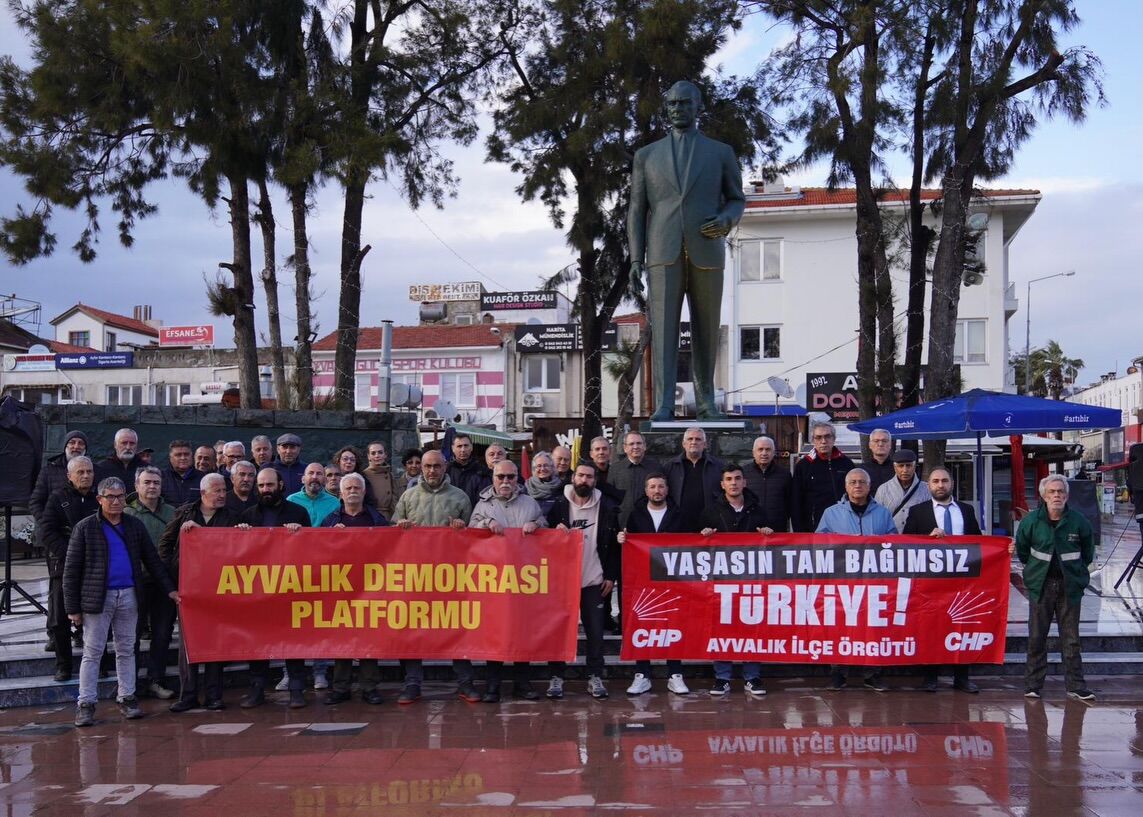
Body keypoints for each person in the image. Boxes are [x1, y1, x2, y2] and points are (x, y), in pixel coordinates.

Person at [628, 79, 744, 420]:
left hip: (707, 248)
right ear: (666, 109)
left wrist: (726, 219)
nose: (678, 109)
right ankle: (664, 404)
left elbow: (737, 198)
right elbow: (636, 209)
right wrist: (636, 258)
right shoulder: (646, 156)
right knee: (664, 330)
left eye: (684, 103)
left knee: (706, 329)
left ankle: (706, 401)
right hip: (662, 251)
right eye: (673, 104)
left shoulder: (720, 152)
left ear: (698, 107)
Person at [65, 477, 178, 727]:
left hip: (129, 595)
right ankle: (86, 703)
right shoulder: (85, 528)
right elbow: (71, 570)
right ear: (100, 499)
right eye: (110, 497)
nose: (116, 501)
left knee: (126, 649)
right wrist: (72, 608)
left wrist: (170, 590)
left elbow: (152, 560)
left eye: (120, 497)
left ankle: (127, 697)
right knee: (93, 652)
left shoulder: (134, 525)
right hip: (98, 598)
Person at [391, 449, 474, 703]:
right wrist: (400, 526)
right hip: (415, 576)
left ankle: (465, 682)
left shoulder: (459, 497)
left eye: (437, 466)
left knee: (457, 628)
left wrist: (462, 529)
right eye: (427, 466)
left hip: (451, 576)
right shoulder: (408, 496)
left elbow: (474, 538)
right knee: (411, 630)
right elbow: (392, 532)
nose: (431, 471)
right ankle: (412, 683)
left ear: (445, 467)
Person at [162, 473, 242, 712]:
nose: (222, 495)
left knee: (215, 642)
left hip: (218, 589)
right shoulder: (184, 514)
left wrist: (241, 532)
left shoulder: (231, 517)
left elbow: (238, 549)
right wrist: (172, 579)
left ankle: (214, 695)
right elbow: (165, 546)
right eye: (217, 491)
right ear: (203, 493)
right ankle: (187, 695)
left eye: (224, 490)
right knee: (188, 644)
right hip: (189, 590)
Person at [469, 459, 547, 702]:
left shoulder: (530, 503)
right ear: (493, 478)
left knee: (523, 632)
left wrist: (537, 524)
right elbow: (470, 533)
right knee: (495, 633)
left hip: (524, 581)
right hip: (494, 581)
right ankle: (493, 686)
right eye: (500, 476)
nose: (505, 481)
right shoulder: (482, 505)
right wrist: (486, 523)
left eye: (510, 477)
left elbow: (546, 529)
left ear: (517, 479)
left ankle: (522, 684)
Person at [1015, 474, 1096, 702]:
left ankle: (1076, 686)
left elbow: (1088, 553)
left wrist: (1077, 578)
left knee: (1071, 639)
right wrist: (1035, 574)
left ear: (1067, 496)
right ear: (1044, 496)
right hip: (1040, 587)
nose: (1056, 495)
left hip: (1069, 588)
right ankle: (1033, 686)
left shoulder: (1079, 522)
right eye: (1052, 492)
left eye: (1060, 491)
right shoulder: (1031, 522)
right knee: (1036, 637)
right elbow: (1023, 551)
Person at [545, 463, 620, 700]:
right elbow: (542, 539)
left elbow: (614, 546)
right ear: (573, 477)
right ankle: (556, 676)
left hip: (593, 579)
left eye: (589, 476)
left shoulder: (606, 507)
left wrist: (610, 575)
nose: (584, 480)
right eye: (580, 475)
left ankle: (594, 675)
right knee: (558, 631)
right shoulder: (558, 505)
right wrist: (552, 531)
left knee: (595, 632)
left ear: (595, 480)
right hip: (563, 581)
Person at [237, 468, 312, 708]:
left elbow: (312, 548)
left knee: (293, 641)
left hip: (291, 587)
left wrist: (300, 534)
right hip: (259, 589)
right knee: (258, 641)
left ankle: (296, 690)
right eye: (261, 486)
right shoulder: (248, 515)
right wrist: (241, 534)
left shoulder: (298, 512)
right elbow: (239, 553)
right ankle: (257, 690)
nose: (265, 490)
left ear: (280, 485)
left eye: (269, 485)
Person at [903, 467, 982, 693]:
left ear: (952, 483)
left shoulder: (966, 510)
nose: (940, 485)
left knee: (962, 626)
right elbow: (907, 542)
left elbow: (979, 542)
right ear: (928, 485)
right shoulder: (918, 511)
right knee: (931, 627)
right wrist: (927, 539)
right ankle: (930, 677)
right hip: (931, 582)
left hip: (961, 581)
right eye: (935, 481)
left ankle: (962, 677)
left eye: (944, 481)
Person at [817, 468, 896, 692]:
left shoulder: (883, 513)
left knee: (873, 628)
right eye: (853, 482)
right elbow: (819, 542)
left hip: (873, 581)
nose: (857, 486)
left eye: (862, 482)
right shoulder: (831, 513)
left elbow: (893, 542)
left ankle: (872, 674)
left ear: (869, 486)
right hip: (842, 581)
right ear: (846, 486)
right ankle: (838, 674)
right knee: (840, 626)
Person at [700, 463, 772, 697]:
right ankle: (722, 677)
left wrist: (768, 534)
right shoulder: (710, 511)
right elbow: (695, 546)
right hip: (720, 581)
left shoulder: (758, 511)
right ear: (722, 484)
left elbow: (773, 543)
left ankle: (752, 677)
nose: (733, 483)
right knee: (721, 627)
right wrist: (704, 536)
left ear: (744, 482)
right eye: (729, 479)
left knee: (752, 626)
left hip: (751, 580)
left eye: (737, 478)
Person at [320, 473, 389, 706]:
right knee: (342, 638)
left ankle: (370, 687)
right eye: (348, 488)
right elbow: (317, 551)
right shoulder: (330, 520)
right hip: (341, 590)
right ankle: (341, 687)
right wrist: (330, 537)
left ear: (363, 491)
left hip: (370, 588)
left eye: (356, 488)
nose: (352, 491)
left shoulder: (377, 519)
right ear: (340, 493)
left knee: (369, 638)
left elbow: (391, 549)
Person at [619, 474, 688, 695]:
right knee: (642, 623)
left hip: (672, 580)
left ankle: (675, 673)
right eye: (652, 487)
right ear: (646, 490)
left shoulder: (680, 515)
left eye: (660, 486)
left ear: (667, 489)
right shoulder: (635, 515)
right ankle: (642, 674)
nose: (657, 490)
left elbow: (690, 543)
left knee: (673, 624)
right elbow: (628, 542)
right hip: (643, 581)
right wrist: (623, 540)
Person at [39, 456, 99, 682]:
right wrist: (71, 554)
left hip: (94, 568)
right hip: (63, 567)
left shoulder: (99, 498)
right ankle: (63, 665)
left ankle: (98, 664)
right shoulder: (57, 498)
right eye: (80, 472)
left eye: (89, 471)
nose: (86, 476)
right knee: (60, 620)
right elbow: (47, 532)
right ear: (69, 476)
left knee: (96, 618)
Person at [30, 429, 87, 653]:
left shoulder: (91, 470)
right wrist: (48, 522)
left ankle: (80, 632)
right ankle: (55, 634)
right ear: (65, 446)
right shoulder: (49, 471)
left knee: (83, 587)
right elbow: (35, 501)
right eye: (72, 442)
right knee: (58, 589)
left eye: (80, 443)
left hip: (84, 541)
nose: (76, 446)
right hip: (57, 542)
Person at [124, 466, 178, 700]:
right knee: (132, 635)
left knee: (162, 633)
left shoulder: (173, 512)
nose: (152, 486)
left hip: (164, 582)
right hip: (135, 582)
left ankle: (156, 679)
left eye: (156, 482)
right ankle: (130, 683)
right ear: (137, 486)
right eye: (147, 482)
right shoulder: (126, 513)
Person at [792, 422, 856, 532]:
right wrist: (799, 531)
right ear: (813, 440)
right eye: (818, 437)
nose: (823, 441)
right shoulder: (803, 466)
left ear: (834, 439)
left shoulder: (846, 464)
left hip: (843, 526)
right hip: (812, 528)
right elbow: (796, 501)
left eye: (827, 436)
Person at [665, 426, 723, 532]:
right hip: (678, 525)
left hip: (709, 526)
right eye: (690, 439)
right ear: (683, 444)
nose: (693, 442)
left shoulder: (718, 466)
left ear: (705, 444)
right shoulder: (670, 467)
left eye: (698, 439)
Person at [610, 432, 663, 528]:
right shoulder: (615, 469)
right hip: (622, 524)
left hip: (649, 523)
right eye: (631, 444)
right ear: (625, 448)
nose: (635, 447)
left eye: (639, 443)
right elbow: (610, 499)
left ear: (644, 446)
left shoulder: (656, 467)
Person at [743, 435, 792, 533]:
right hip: (750, 530)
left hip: (777, 530)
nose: (764, 453)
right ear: (753, 453)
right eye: (760, 449)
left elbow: (790, 503)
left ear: (773, 453)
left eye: (768, 449)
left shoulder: (785, 474)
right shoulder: (743, 473)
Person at [874, 450, 931, 533]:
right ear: (895, 467)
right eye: (901, 466)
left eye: (908, 465)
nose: (905, 470)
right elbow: (876, 517)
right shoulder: (883, 489)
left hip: (918, 537)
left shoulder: (926, 489)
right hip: (890, 537)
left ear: (914, 466)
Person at [287, 462, 341, 526]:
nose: (314, 477)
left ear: (325, 480)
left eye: (319, 474)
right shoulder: (291, 500)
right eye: (311, 473)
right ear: (303, 479)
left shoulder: (334, 503)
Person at [446, 433, 491, 507]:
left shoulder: (482, 471)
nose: (463, 450)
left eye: (466, 446)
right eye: (459, 446)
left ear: (471, 447)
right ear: (453, 448)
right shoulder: (446, 471)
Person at [363, 440, 403, 517]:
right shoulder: (363, 475)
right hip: (371, 517)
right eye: (373, 453)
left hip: (389, 517)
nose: (377, 456)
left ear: (385, 455)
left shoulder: (390, 475)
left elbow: (394, 499)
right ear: (368, 456)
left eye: (380, 452)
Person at [160, 439, 204, 507]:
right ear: (170, 458)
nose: (183, 458)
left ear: (191, 456)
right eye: (178, 455)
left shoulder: (203, 478)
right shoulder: (161, 477)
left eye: (186, 454)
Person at [863, 429, 895, 493]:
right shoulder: (862, 470)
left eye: (884, 441)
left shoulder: (898, 469)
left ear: (890, 445)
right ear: (870, 445)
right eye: (876, 441)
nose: (880, 444)